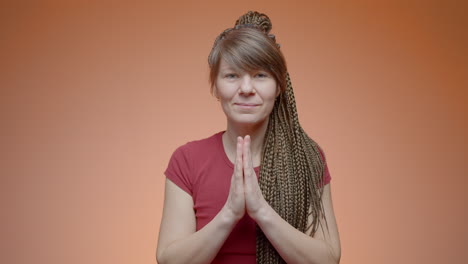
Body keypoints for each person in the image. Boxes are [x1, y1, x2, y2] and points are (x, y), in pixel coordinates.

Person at [156, 11, 341, 264]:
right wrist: (229, 214)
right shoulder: (187, 160)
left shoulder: (308, 158)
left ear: (279, 87)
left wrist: (261, 211)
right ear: (215, 86)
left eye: (260, 75)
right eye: (232, 75)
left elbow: (327, 260)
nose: (245, 88)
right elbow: (169, 261)